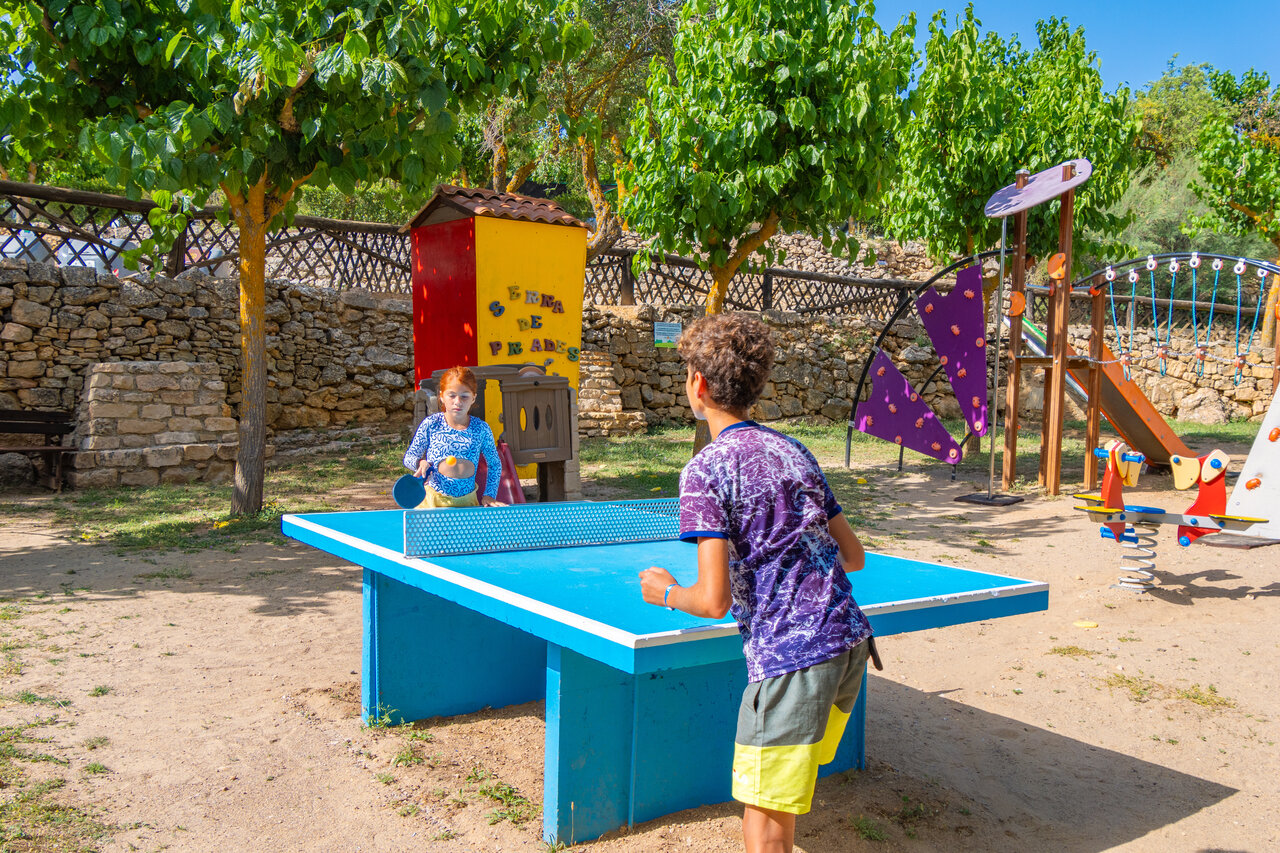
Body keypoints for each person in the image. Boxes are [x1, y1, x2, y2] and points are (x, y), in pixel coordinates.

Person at [638, 313, 877, 853]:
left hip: (792, 661)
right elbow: (854, 556)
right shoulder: (794, 450)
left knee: (765, 818)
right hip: (849, 645)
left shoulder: (704, 470)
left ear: (698, 385)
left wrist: (666, 593)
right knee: (782, 796)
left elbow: (713, 600)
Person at [402, 366, 505, 508]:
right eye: (452, 395)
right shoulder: (431, 424)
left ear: (473, 397)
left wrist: (490, 495)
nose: (458, 401)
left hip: (467, 502)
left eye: (464, 396)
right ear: (442, 396)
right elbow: (409, 457)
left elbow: (494, 464)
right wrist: (420, 463)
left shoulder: (481, 428)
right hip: (433, 502)